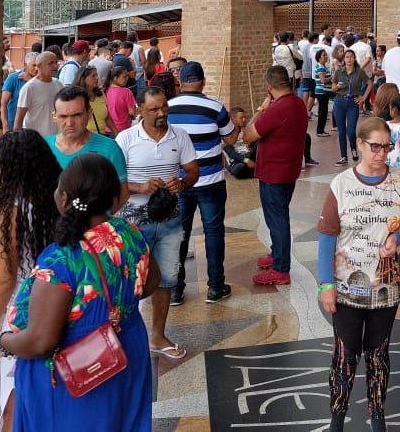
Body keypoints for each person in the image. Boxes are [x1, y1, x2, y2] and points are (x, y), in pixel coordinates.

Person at [0, 153, 158, 432]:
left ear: (64, 198)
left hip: (78, 371)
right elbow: (149, 283)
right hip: (125, 352)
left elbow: (41, 342)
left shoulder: (61, 258)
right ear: (113, 197)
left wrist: (4, 342)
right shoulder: (128, 232)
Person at [317, 117, 400, 432]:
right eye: (375, 147)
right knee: (345, 355)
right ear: (359, 144)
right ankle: (337, 419)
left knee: (379, 353)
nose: (382, 154)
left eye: (387, 147)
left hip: (386, 287)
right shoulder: (341, 185)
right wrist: (325, 284)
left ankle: (377, 416)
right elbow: (327, 237)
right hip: (347, 289)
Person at [0, 130, 61, 432]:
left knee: (14, 394)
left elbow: (5, 278)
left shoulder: (13, 209)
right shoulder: (59, 195)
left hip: (24, 310)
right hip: (62, 300)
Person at [116, 87, 199, 358]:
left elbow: (192, 171)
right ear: (139, 110)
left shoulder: (180, 136)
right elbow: (115, 183)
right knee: (130, 282)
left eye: (164, 107)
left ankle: (158, 336)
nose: (162, 113)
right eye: (154, 109)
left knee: (166, 279)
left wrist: (183, 182)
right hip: (133, 223)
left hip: (170, 221)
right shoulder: (126, 139)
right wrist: (140, 187)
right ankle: (125, 338)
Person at [167, 61, 237, 306]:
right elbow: (230, 137)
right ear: (203, 81)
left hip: (179, 182)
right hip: (211, 180)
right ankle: (215, 287)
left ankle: (175, 290)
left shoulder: (167, 108)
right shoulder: (214, 107)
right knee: (214, 231)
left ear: (181, 81)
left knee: (178, 234)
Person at [243, 65, 309, 285]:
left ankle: (281, 268)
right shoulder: (298, 103)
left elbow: (248, 136)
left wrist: (261, 110)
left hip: (274, 173)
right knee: (277, 216)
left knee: (277, 219)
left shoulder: (277, 109)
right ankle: (276, 253)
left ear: (269, 87)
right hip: (288, 170)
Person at [46, 85, 129, 180]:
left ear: (89, 114)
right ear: (54, 116)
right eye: (63, 116)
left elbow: (122, 193)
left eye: (76, 115)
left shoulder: (110, 149)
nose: (69, 123)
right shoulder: (42, 148)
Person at [332, 46, 371, 165]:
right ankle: (344, 156)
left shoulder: (359, 72)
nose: (349, 59)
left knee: (351, 130)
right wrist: (338, 87)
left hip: (352, 103)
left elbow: (370, 83)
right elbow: (333, 88)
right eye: (347, 57)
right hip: (339, 101)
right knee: (341, 131)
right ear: (344, 59)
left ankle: (353, 148)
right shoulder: (339, 71)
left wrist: (363, 98)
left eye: (351, 57)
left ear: (354, 59)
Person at [14, 50, 62, 136]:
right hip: (35, 141)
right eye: (50, 63)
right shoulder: (29, 88)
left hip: (55, 140)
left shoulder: (58, 84)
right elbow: (19, 119)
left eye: (56, 62)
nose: (55, 66)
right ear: (39, 66)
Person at [0, 51, 37, 135]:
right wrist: (5, 126)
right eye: (34, 65)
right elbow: (3, 103)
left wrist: (30, 80)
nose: (37, 68)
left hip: (34, 126)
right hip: (14, 125)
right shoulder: (14, 78)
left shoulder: (41, 79)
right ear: (25, 65)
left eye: (38, 65)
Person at [77, 63, 117, 137]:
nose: (97, 78)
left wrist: (116, 133)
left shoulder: (100, 94)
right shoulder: (78, 98)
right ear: (83, 79)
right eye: (93, 76)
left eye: (96, 75)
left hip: (102, 136)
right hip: (85, 139)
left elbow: (107, 116)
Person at [105, 62, 138, 133]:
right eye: (124, 77)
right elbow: (132, 112)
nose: (127, 78)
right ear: (115, 78)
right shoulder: (126, 92)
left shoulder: (104, 90)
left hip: (108, 128)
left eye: (127, 76)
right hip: (123, 129)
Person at [314, 47, 333, 137]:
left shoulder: (322, 66)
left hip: (323, 92)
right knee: (323, 112)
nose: (326, 57)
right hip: (322, 92)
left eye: (326, 55)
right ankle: (320, 131)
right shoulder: (321, 67)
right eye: (324, 55)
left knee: (323, 111)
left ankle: (321, 130)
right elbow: (323, 80)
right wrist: (331, 77)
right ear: (319, 57)